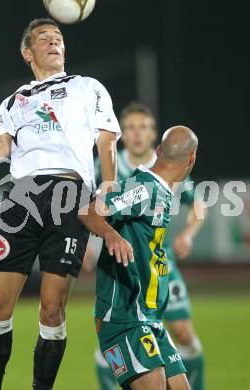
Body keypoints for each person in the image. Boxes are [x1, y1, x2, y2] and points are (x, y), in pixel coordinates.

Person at [0, 18, 121, 390]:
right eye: (44, 38)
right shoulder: (14, 101)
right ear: (28, 53)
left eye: (58, 37)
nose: (54, 42)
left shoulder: (87, 88)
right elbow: (2, 144)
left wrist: (107, 187)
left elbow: (107, 140)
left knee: (51, 308)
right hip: (21, 196)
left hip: (69, 194)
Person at [92, 103, 205, 390]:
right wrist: (110, 235)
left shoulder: (160, 188)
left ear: (157, 149)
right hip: (126, 317)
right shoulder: (144, 188)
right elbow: (89, 210)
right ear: (191, 159)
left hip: (150, 318)